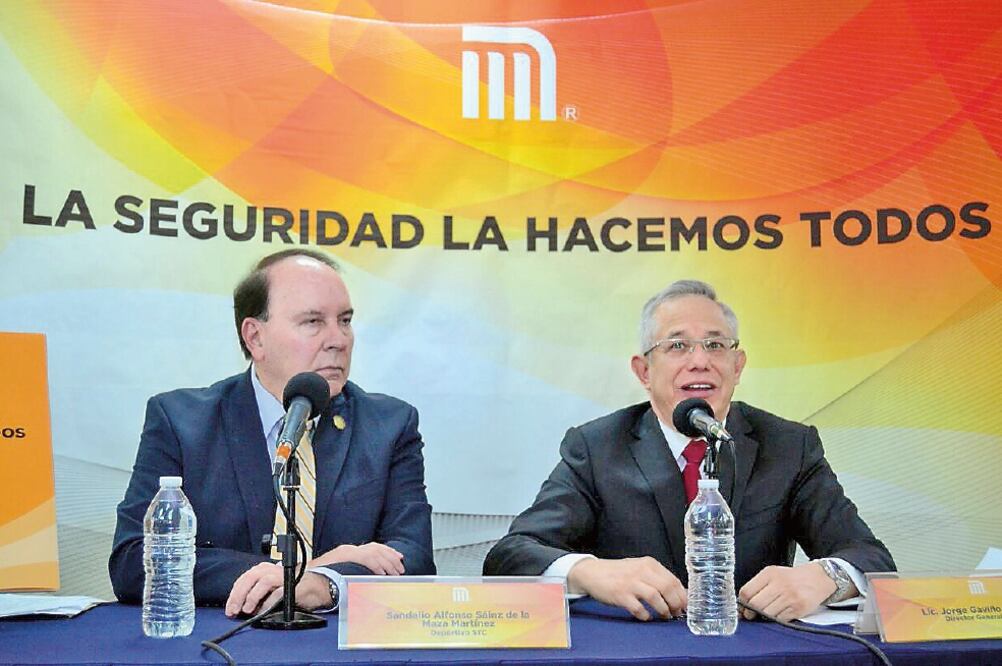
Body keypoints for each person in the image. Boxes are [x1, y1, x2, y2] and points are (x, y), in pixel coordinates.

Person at [483, 279, 894, 622]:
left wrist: (824, 577)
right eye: (677, 346)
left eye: (716, 346)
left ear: (738, 366)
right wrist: (590, 573)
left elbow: (870, 557)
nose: (700, 361)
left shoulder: (787, 445)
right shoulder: (598, 447)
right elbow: (511, 555)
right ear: (644, 371)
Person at [110, 249, 435, 616]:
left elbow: (416, 558)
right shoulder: (182, 422)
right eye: (313, 322)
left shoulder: (389, 425)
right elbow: (134, 559)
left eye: (344, 320)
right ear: (255, 338)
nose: (339, 340)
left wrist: (327, 582)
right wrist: (302, 574)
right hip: (223, 644)